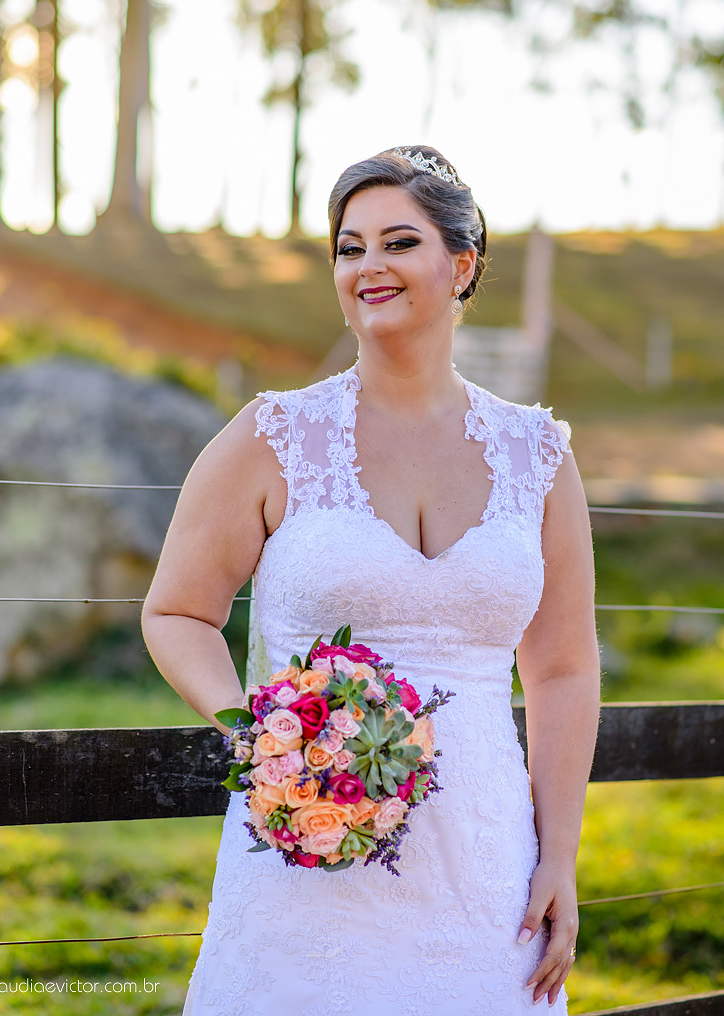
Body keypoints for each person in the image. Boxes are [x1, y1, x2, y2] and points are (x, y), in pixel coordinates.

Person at [141, 144, 600, 1014]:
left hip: (485, 863)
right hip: (308, 847)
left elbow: (564, 668)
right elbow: (176, 612)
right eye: (349, 249)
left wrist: (558, 855)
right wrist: (264, 733)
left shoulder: (538, 456)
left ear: (460, 266)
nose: (369, 267)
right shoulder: (271, 436)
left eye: (397, 242)